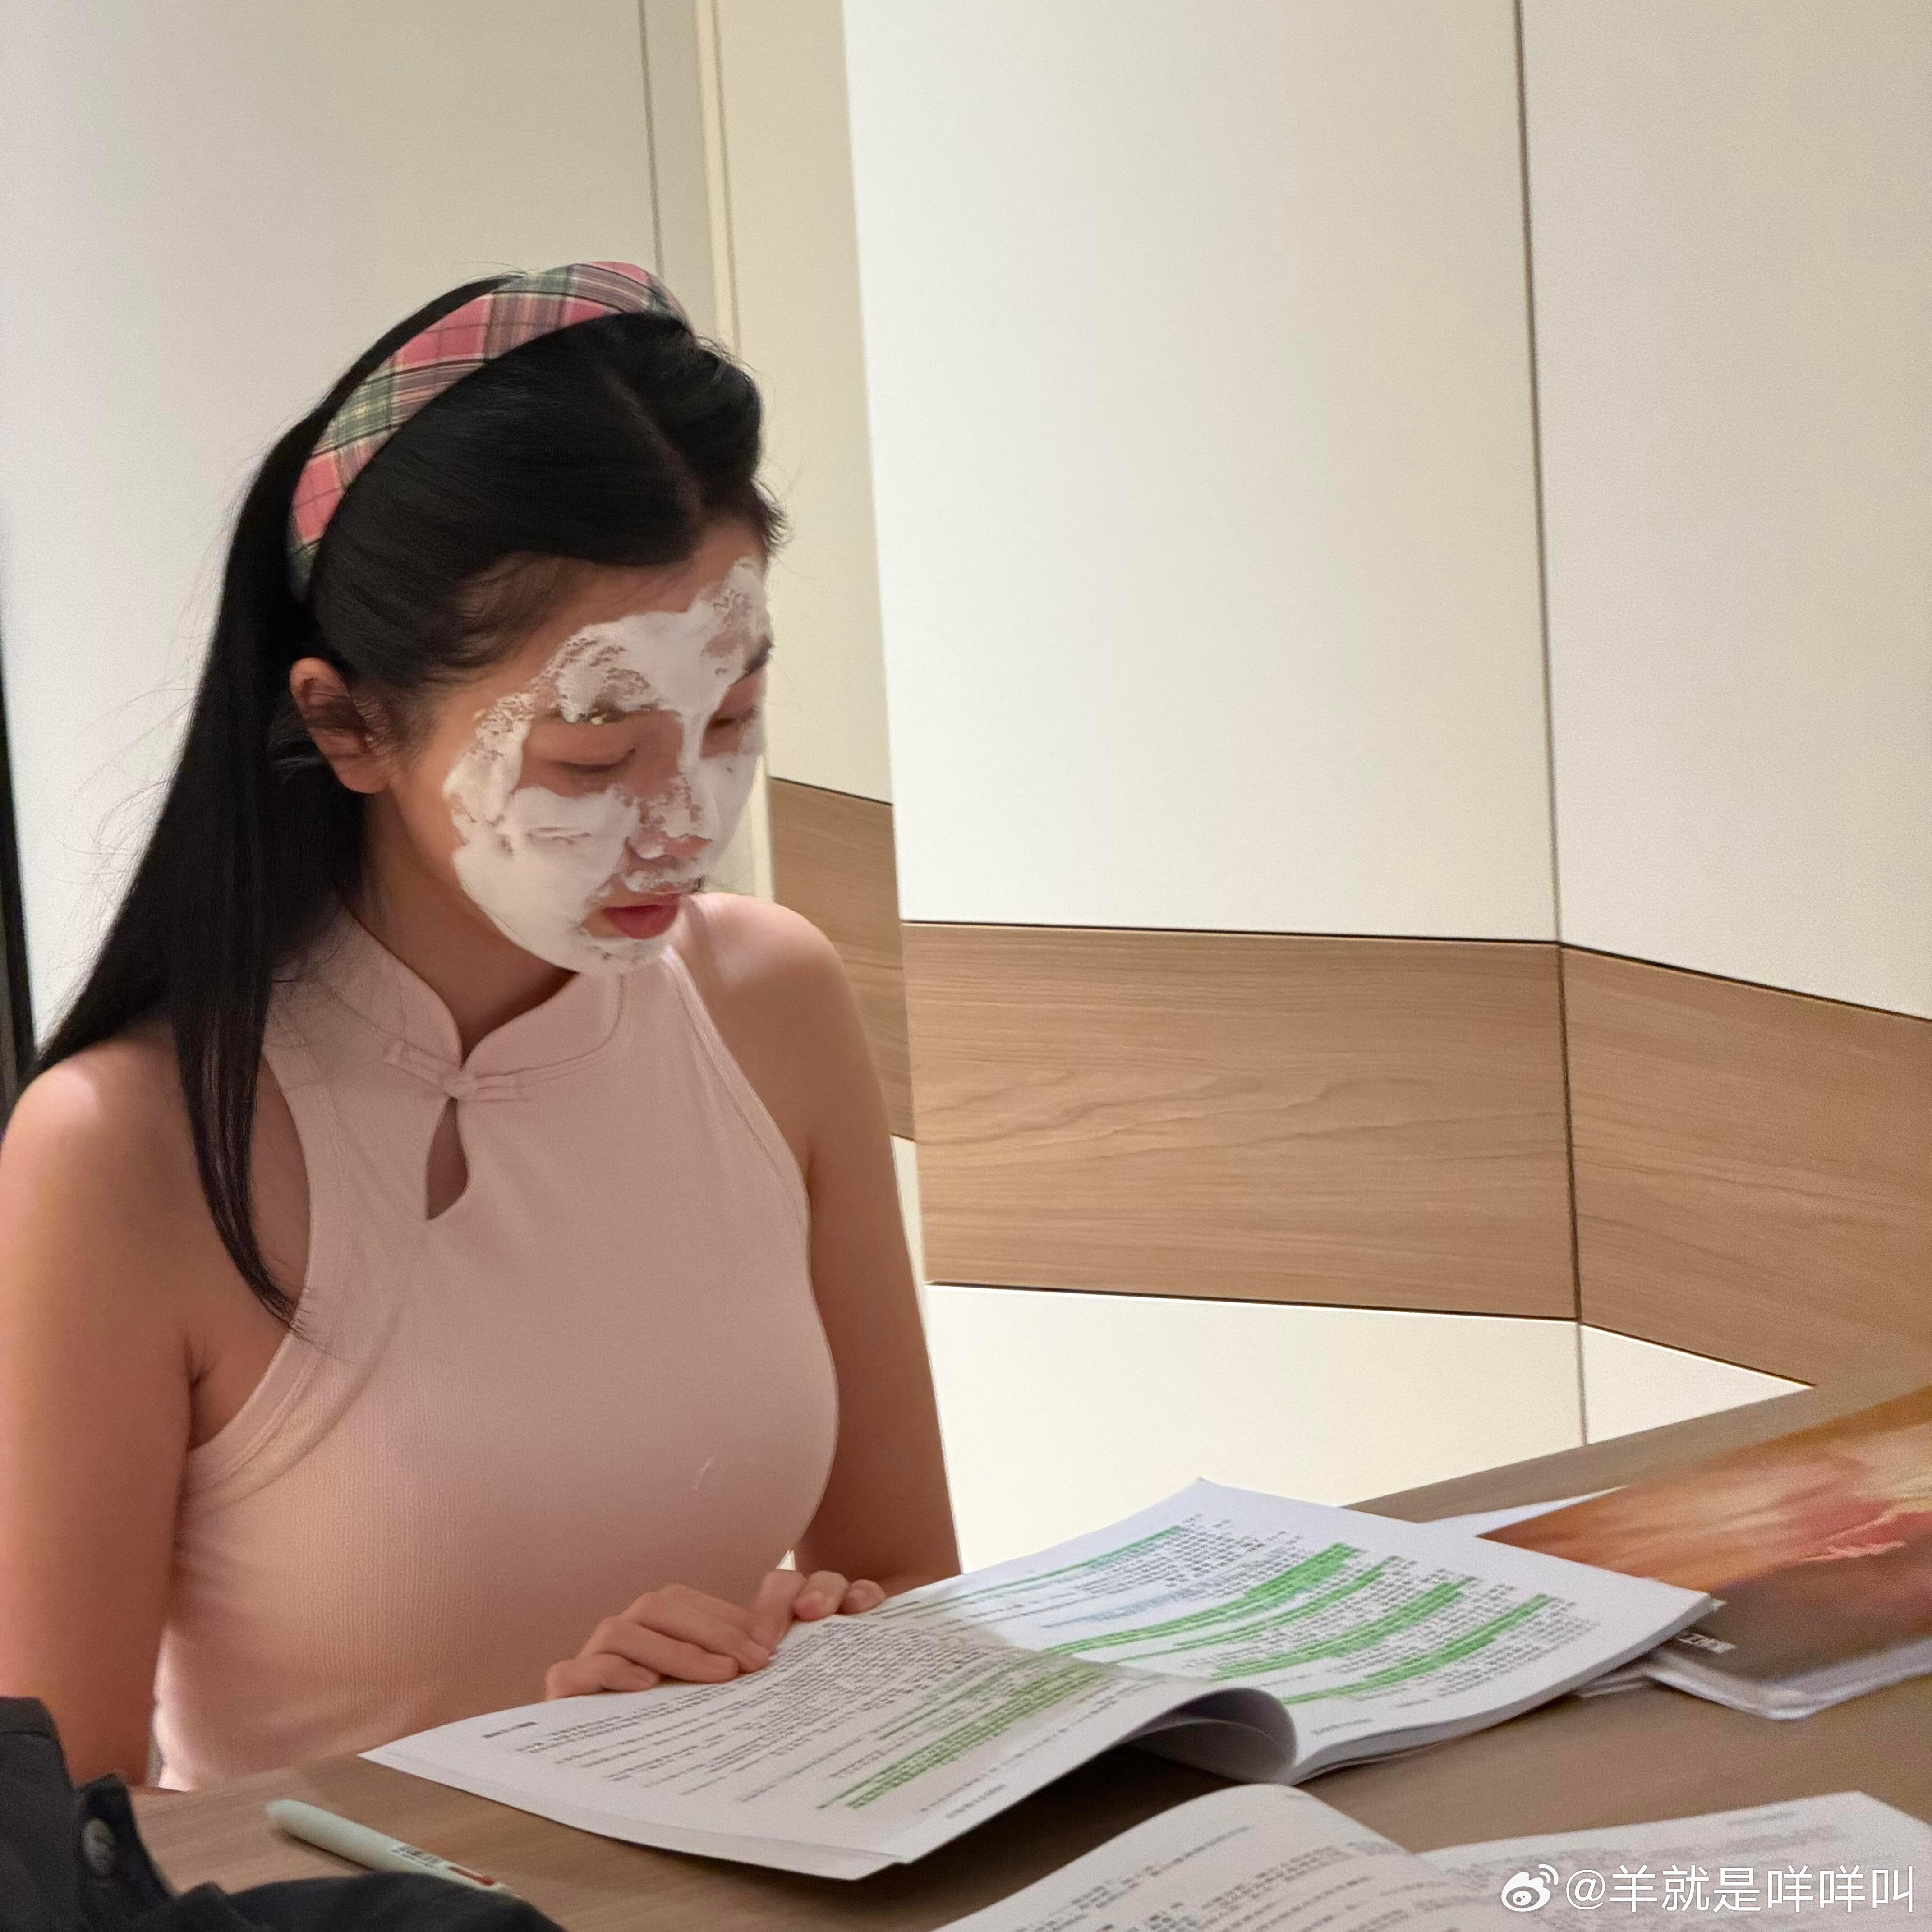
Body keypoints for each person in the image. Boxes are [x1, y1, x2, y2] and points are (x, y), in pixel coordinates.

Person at [0, 262, 958, 1790]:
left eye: (728, 722)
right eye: (592, 757)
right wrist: (548, 1779)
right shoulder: (125, 1147)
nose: (685, 825)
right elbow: (65, 1834)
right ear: (348, 724)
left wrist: (804, 1668)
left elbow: (905, 1582)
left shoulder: (772, 1001)